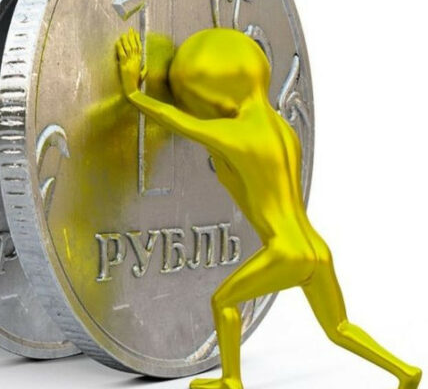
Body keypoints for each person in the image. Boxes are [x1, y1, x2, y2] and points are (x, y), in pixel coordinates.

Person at [116, 27, 422, 389]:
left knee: (223, 301)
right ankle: (404, 371)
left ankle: (231, 380)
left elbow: (179, 122)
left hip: (284, 252)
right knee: (339, 327)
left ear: (221, 95)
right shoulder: (283, 130)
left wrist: (134, 93)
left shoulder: (237, 134)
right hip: (316, 248)